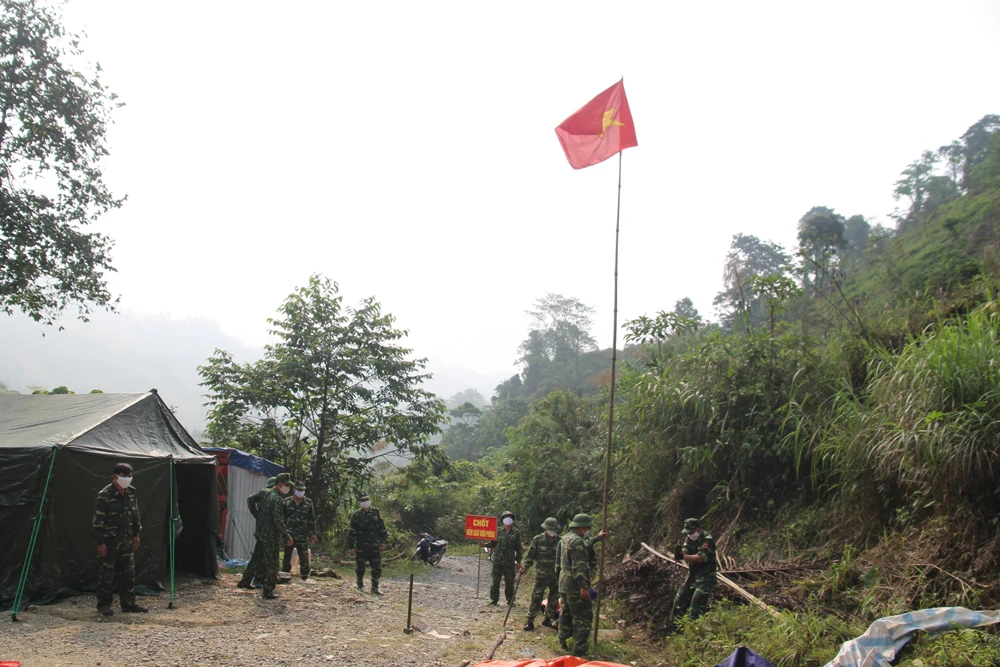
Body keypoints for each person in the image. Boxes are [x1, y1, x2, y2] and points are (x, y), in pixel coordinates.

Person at [92, 463, 147, 616]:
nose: (128, 479)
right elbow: (98, 522)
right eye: (125, 476)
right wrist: (100, 542)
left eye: (130, 476)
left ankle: (129, 604)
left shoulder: (131, 492)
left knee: (128, 574)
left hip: (127, 540)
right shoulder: (105, 495)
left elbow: (135, 515)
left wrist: (136, 534)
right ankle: (104, 606)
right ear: (116, 476)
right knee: (106, 576)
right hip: (109, 542)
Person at [238, 473, 291, 599]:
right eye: (286, 485)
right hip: (271, 536)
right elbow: (278, 521)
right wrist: (286, 536)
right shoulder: (278, 500)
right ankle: (268, 591)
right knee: (273, 563)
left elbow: (250, 500)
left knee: (256, 558)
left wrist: (257, 515)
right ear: (279, 485)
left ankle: (245, 581)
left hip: (261, 533)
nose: (288, 488)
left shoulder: (264, 492)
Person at [557, 513, 595, 656]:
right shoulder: (577, 541)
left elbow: (558, 563)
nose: (588, 531)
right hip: (574, 586)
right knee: (583, 616)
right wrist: (584, 587)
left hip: (564, 583)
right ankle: (579, 650)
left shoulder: (565, 538)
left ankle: (562, 642)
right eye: (587, 528)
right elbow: (578, 567)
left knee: (565, 614)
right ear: (583, 528)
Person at [672, 517, 717, 621]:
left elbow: (700, 558)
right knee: (679, 599)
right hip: (692, 576)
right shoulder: (689, 538)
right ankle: (674, 629)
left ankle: (692, 630)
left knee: (696, 603)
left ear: (698, 530)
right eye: (687, 532)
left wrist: (683, 557)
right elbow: (685, 550)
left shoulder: (707, 540)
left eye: (691, 531)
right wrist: (679, 553)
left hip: (706, 577)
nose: (689, 534)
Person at [520, 517, 561, 631]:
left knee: (553, 598)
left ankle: (547, 619)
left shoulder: (560, 541)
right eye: (549, 529)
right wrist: (525, 567)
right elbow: (530, 556)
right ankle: (530, 621)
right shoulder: (538, 539)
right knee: (536, 597)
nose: (551, 531)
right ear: (545, 528)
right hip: (541, 575)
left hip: (555, 576)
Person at [347, 492, 388, 595]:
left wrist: (383, 542)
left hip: (375, 545)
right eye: (363, 500)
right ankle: (360, 585)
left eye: (367, 500)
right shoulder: (356, 515)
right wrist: (351, 547)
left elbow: (382, 528)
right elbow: (352, 532)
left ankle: (375, 588)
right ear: (359, 502)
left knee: (377, 568)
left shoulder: (376, 512)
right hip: (361, 546)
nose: (365, 502)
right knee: (360, 568)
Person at [484, 510, 522, 606]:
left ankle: (510, 600)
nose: (507, 518)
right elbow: (492, 544)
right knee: (495, 580)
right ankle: (494, 600)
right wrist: (483, 545)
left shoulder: (516, 532)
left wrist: (518, 561)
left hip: (509, 561)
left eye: (509, 516)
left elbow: (518, 548)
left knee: (509, 582)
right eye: (505, 517)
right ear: (502, 520)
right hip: (497, 560)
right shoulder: (497, 531)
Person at [282, 481, 318, 580]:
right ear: (294, 490)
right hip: (289, 534)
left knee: (304, 556)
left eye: (302, 490)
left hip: (303, 534)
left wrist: (313, 533)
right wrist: (282, 533)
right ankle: (284, 575)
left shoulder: (308, 502)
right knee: (287, 556)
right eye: (299, 490)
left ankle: (305, 576)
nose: (301, 492)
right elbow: (282, 518)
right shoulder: (286, 502)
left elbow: (311, 519)